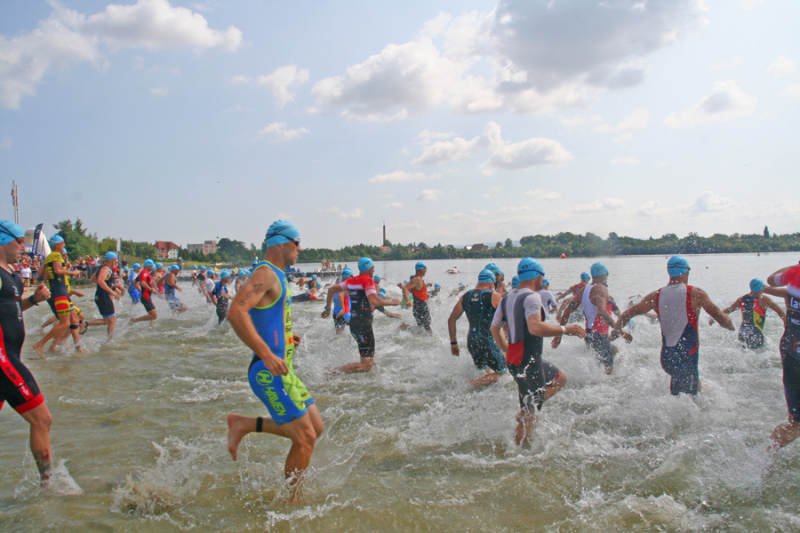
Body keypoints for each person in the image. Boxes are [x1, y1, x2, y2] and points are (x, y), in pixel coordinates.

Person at [226, 221, 323, 502]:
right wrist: (267, 353)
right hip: (268, 371)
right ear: (282, 243)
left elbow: (266, 317)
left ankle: (244, 424)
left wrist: (288, 336)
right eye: (297, 243)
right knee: (304, 438)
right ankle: (293, 504)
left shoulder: (277, 275)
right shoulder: (266, 273)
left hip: (285, 370)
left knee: (315, 428)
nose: (300, 249)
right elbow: (236, 312)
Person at [490, 258, 585, 445]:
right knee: (532, 411)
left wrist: (507, 350)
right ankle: (518, 450)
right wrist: (566, 329)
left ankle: (523, 415)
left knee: (560, 379)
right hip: (527, 361)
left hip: (518, 359)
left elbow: (495, 329)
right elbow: (534, 327)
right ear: (537, 276)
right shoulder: (532, 297)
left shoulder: (507, 297)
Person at [612, 256, 734, 396]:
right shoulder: (695, 293)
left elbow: (627, 314)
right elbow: (721, 318)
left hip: (667, 357)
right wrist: (731, 326)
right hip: (687, 355)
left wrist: (616, 330)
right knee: (688, 399)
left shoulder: (656, 295)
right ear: (686, 272)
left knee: (681, 391)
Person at [0, 220, 54, 486]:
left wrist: (33, 300)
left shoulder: (9, 274)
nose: (23, 246)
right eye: (19, 240)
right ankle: (49, 485)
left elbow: (11, 309)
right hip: (2, 360)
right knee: (42, 419)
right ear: (3, 239)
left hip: (9, 357)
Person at [322, 257, 401, 374]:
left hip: (355, 324)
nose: (374, 270)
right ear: (369, 268)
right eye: (373, 268)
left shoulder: (351, 281)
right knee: (366, 365)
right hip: (363, 325)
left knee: (370, 361)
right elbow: (374, 301)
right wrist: (392, 302)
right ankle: (332, 372)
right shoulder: (368, 281)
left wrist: (328, 309)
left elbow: (332, 289)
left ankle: (371, 385)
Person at [555, 262, 631, 374]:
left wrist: (559, 334)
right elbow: (602, 313)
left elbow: (567, 311)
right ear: (603, 275)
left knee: (614, 352)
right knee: (607, 373)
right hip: (599, 336)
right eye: (607, 275)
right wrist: (621, 331)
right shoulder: (601, 289)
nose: (607, 278)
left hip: (589, 335)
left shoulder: (584, 290)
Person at [762, 263, 800, 451]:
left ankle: (764, 457)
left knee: (795, 423)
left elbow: (770, 281)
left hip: (790, 348)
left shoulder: (793, 275)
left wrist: (794, 267)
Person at [448, 269, 506, 387]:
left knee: (486, 370)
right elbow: (507, 320)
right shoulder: (494, 295)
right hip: (487, 341)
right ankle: (468, 384)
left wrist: (454, 343)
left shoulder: (466, 296)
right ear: (490, 282)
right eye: (494, 284)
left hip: (472, 341)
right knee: (503, 372)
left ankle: (475, 386)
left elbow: (451, 319)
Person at [32, 236, 82, 358]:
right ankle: (40, 344)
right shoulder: (56, 255)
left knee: (75, 319)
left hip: (58, 291)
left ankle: (75, 347)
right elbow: (58, 270)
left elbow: (40, 273)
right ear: (56, 245)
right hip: (59, 292)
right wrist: (73, 272)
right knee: (65, 323)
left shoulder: (50, 257)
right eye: (62, 243)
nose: (64, 245)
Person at [715, 278, 785, 350]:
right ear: (762, 287)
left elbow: (729, 309)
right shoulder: (763, 298)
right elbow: (780, 311)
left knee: (744, 355)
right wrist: (786, 322)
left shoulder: (742, 298)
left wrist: (714, 317)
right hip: (755, 333)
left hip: (742, 333)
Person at [84, 252, 121, 338]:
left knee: (107, 320)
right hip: (104, 296)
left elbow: (93, 280)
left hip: (99, 296)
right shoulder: (105, 268)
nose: (115, 264)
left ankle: (85, 324)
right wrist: (112, 292)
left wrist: (108, 285)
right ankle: (110, 341)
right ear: (112, 260)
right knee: (111, 320)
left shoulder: (101, 267)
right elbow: (100, 281)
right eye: (115, 262)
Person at [402, 261, 432, 332]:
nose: (426, 271)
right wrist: (407, 301)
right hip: (420, 307)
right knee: (427, 327)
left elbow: (413, 290)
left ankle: (405, 327)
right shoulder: (417, 279)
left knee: (421, 327)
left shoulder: (418, 279)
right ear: (422, 269)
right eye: (425, 269)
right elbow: (405, 288)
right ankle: (404, 327)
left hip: (419, 306)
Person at [130, 259, 158, 326]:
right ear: (149, 266)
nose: (152, 267)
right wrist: (151, 289)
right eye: (152, 266)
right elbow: (142, 283)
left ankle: (151, 325)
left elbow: (134, 282)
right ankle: (134, 320)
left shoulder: (143, 273)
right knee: (154, 316)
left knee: (152, 314)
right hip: (146, 297)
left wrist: (141, 291)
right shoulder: (144, 273)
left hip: (146, 296)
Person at [332, 267, 353, 333]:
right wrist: (343, 308)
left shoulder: (335, 289)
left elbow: (334, 301)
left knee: (339, 333)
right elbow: (340, 295)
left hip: (335, 313)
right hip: (345, 314)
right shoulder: (345, 288)